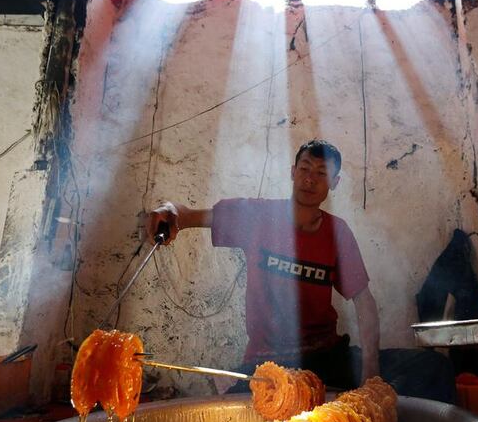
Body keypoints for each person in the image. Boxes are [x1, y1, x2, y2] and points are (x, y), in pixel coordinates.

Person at [146, 139, 454, 401]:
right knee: (236, 415)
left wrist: (370, 372)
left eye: (321, 173)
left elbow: (364, 302)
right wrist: (170, 213)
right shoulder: (259, 217)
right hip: (268, 362)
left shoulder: (338, 233)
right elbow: (189, 216)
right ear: (293, 173)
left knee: (431, 367)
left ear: (334, 182)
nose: (310, 179)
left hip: (326, 356)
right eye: (305, 169)